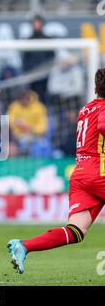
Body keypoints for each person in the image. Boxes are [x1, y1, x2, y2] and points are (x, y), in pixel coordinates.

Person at [7, 67, 105, 274]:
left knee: (76, 231)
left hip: (80, 174)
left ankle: (24, 245)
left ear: (95, 88)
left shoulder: (85, 110)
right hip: (99, 172)